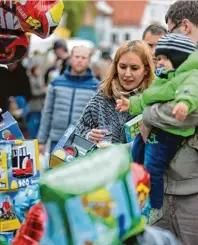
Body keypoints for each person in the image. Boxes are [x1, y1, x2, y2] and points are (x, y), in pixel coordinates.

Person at [116, 33, 197, 224]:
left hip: (170, 134)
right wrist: (133, 104)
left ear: (177, 58)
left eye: (163, 58)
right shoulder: (168, 77)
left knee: (153, 167)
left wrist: (184, 103)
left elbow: (190, 92)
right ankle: (137, 188)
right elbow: (150, 97)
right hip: (159, 131)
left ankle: (154, 205)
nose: (159, 62)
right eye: (157, 58)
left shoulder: (190, 75)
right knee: (137, 154)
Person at [140, 1, 198, 244]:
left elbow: (188, 114)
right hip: (166, 187)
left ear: (184, 26)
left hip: (192, 193)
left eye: (170, 31)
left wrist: (149, 116)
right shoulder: (178, 64)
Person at [75, 40, 155, 144]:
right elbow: (79, 131)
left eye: (134, 68)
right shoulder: (102, 97)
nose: (127, 74)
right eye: (122, 67)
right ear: (116, 67)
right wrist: (89, 136)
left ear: (146, 70)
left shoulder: (153, 100)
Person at [37, 46, 99, 153]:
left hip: (82, 143)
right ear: (70, 58)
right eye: (77, 56)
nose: (80, 60)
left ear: (89, 61)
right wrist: (41, 141)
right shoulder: (56, 83)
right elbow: (47, 113)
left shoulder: (96, 87)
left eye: (84, 57)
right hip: (57, 140)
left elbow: (99, 117)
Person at [27, 64, 46, 139]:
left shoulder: (38, 78)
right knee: (34, 122)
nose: (39, 72)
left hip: (40, 106)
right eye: (38, 70)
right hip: (34, 106)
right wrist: (44, 91)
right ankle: (33, 138)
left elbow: (41, 85)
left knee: (39, 122)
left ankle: (37, 138)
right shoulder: (31, 80)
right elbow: (34, 92)